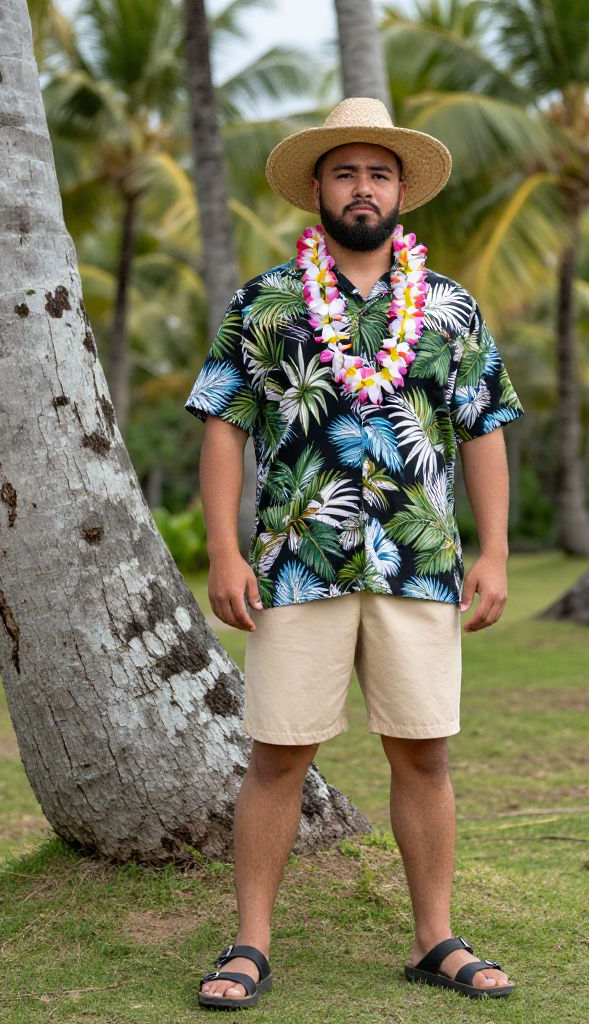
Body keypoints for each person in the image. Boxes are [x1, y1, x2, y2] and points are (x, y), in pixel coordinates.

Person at [184, 97, 524, 1009]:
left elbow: (485, 427)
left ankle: (435, 939)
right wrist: (223, 552)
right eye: (345, 173)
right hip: (299, 564)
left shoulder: (449, 306)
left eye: (378, 173)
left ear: (402, 190)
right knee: (277, 757)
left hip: (419, 563)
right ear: (318, 189)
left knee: (424, 756)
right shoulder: (266, 302)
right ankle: (249, 943)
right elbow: (223, 426)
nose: (362, 188)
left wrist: (495, 552)